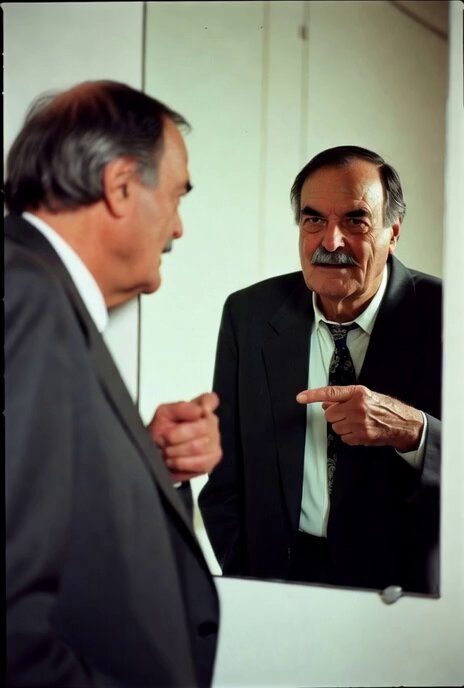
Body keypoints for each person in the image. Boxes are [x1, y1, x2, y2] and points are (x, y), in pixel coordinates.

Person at [5, 80, 223, 688]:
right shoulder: (26, 295)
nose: (178, 228)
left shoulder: (42, 293)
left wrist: (148, 461)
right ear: (121, 185)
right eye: (176, 197)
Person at [199, 146, 441, 595]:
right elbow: (224, 479)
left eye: (355, 221)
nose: (330, 242)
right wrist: (250, 580)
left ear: (393, 232)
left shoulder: (447, 315)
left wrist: (414, 431)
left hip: (400, 597)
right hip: (276, 584)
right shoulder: (248, 315)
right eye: (313, 220)